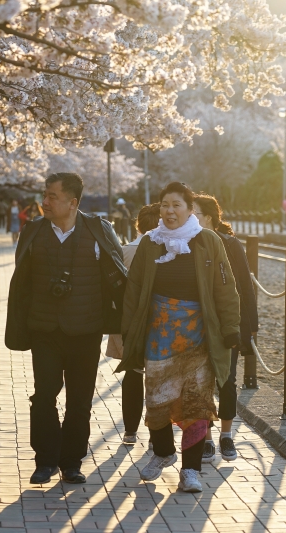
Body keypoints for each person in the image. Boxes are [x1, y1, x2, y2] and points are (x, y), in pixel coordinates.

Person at [5, 172, 127, 485]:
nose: (45, 202)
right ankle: (45, 461)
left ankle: (71, 462)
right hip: (44, 329)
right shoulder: (33, 231)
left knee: (80, 401)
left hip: (86, 331)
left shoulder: (99, 230)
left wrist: (124, 323)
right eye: (44, 195)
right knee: (44, 396)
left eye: (52, 197)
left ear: (72, 203)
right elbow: (22, 283)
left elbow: (118, 277)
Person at [118, 181, 240, 493]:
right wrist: (129, 328)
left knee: (197, 404)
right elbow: (133, 290)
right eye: (165, 205)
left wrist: (230, 327)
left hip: (200, 334)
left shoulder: (208, 240)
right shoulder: (150, 243)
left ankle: (191, 470)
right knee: (157, 398)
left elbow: (225, 288)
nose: (170, 211)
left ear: (189, 210)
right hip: (159, 333)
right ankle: (163, 452)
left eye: (177, 205)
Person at [191, 193, 258, 463]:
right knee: (201, 382)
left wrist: (250, 326)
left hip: (227, 324)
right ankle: (206, 437)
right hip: (197, 323)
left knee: (227, 380)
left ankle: (227, 435)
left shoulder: (230, 244)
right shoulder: (187, 242)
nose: (190, 217)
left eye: (194, 212)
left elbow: (245, 286)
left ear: (208, 217)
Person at [105, 203, 161, 445]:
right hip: (159, 321)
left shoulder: (125, 250)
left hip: (128, 322)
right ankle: (156, 433)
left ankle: (129, 431)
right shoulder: (167, 248)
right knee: (159, 378)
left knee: (132, 373)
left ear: (138, 225)